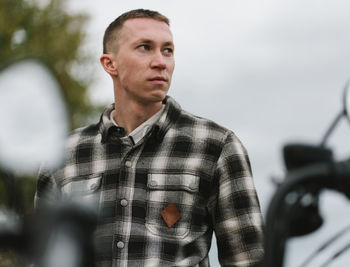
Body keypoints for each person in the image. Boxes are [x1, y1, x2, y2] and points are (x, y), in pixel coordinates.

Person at [35, 9, 264, 266]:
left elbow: (249, 260)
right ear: (110, 64)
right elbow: (42, 256)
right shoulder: (63, 154)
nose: (160, 62)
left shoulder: (217, 146)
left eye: (167, 50)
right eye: (145, 47)